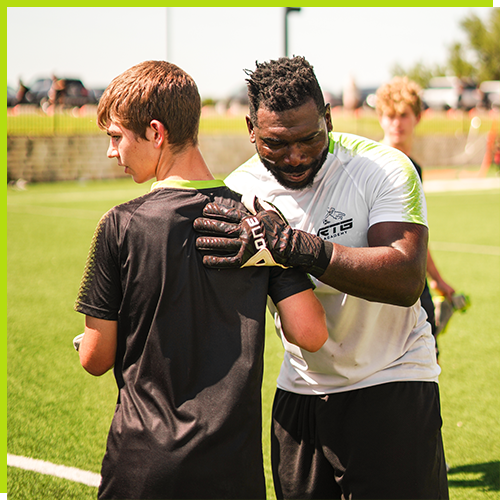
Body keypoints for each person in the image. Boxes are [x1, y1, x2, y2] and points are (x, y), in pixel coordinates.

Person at [194, 56, 449, 499]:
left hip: (393, 380)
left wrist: (296, 247)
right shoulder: (238, 192)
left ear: (328, 117)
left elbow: (406, 278)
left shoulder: (384, 167)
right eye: (275, 143)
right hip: (300, 391)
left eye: (310, 138)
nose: (295, 156)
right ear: (250, 128)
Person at [74, 60, 328, 500]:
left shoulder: (119, 225)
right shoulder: (259, 220)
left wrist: (85, 342)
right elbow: (311, 332)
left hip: (142, 465)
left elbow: (96, 359)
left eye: (116, 137)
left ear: (156, 132)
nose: (111, 151)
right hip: (233, 472)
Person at [376, 76, 456, 352]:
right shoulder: (370, 164)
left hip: (411, 277)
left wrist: (436, 278)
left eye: (404, 115)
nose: (397, 122)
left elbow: (414, 234)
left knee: (427, 351)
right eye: (390, 115)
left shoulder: (414, 168)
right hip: (379, 280)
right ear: (380, 118)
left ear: (417, 118)